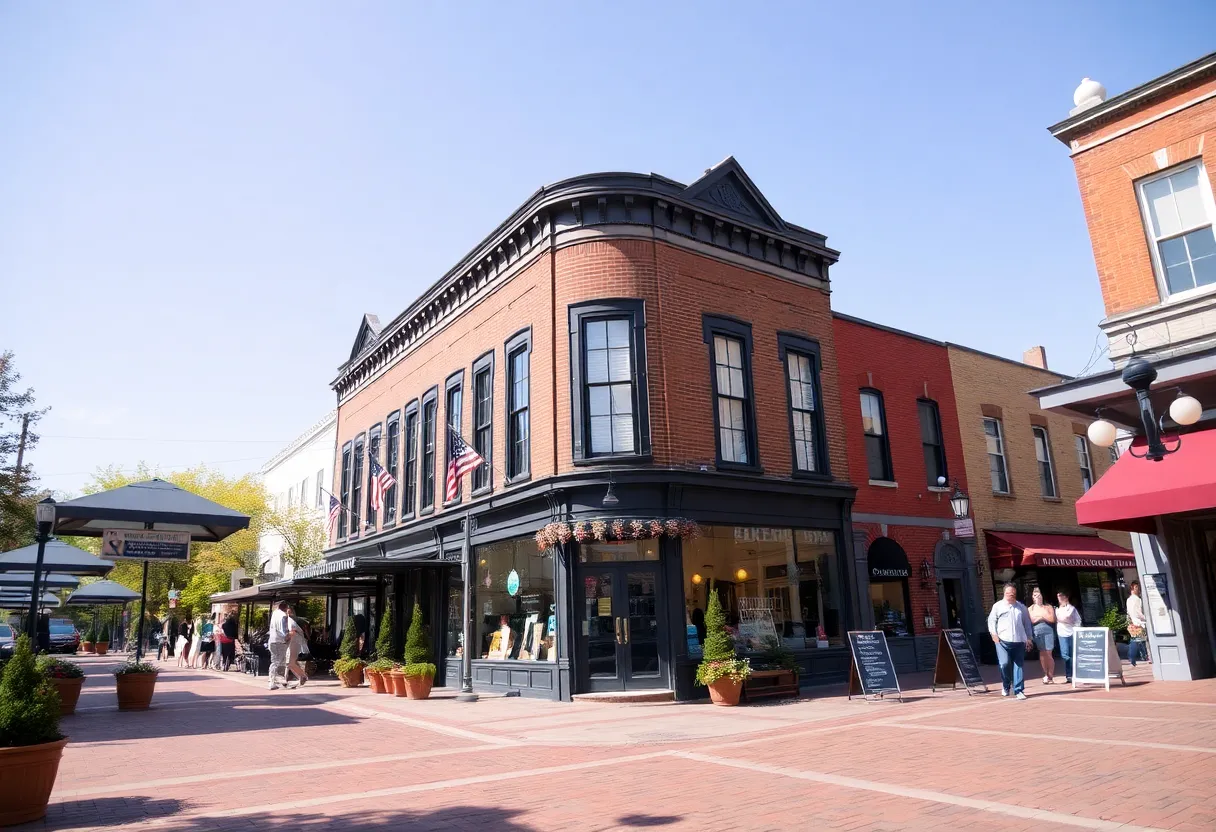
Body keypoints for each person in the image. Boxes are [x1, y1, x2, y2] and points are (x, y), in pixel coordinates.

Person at [988, 582, 1034, 700]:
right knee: (1004, 664)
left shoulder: (1021, 607)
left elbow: (1027, 624)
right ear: (1004, 593)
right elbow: (991, 621)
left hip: (1019, 641)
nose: (1011, 596)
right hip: (1002, 641)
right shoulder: (998, 606)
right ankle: (1006, 685)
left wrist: (1029, 638)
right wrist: (994, 634)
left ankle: (1019, 690)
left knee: (1019, 665)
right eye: (1008, 593)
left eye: (1013, 594)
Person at [1028, 587, 1057, 684]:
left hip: (1048, 630)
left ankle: (1051, 675)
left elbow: (1052, 619)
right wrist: (1044, 616)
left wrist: (1040, 616)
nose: (1037, 597)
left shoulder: (1048, 607)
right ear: (1032, 597)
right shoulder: (1030, 608)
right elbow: (1032, 620)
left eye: (1039, 595)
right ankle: (1045, 674)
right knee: (1042, 653)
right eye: (1035, 595)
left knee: (1049, 653)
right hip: (1037, 631)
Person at [1055, 590, 1081, 684]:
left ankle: (1071, 675)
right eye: (1058, 596)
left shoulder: (1071, 608)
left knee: (1073, 653)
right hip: (1062, 633)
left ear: (1066, 597)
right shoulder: (1057, 609)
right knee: (1065, 654)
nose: (1059, 598)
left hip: (1072, 632)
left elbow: (1067, 618)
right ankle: (1071, 673)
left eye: (1061, 596)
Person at [267, 601, 291, 690]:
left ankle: (277, 680)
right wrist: (289, 636)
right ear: (285, 608)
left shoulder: (274, 613)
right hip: (279, 641)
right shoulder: (283, 616)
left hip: (272, 640)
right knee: (277, 662)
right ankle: (272, 681)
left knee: (276, 660)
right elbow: (284, 630)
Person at [284, 607, 309, 688]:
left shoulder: (290, 621)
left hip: (294, 642)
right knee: (291, 662)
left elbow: (292, 632)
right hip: (293, 642)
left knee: (290, 663)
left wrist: (285, 639)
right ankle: (301, 677)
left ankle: (303, 676)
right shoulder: (288, 620)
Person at [1126, 580, 1148, 667]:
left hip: (1133, 622)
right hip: (1139, 622)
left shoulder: (1128, 600)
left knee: (1136, 640)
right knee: (1138, 640)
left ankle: (1134, 657)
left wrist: (1130, 621)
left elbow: (1129, 612)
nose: (1138, 589)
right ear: (1133, 588)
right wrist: (1145, 618)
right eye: (1136, 587)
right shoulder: (1137, 599)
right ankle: (1143, 656)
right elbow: (1139, 612)